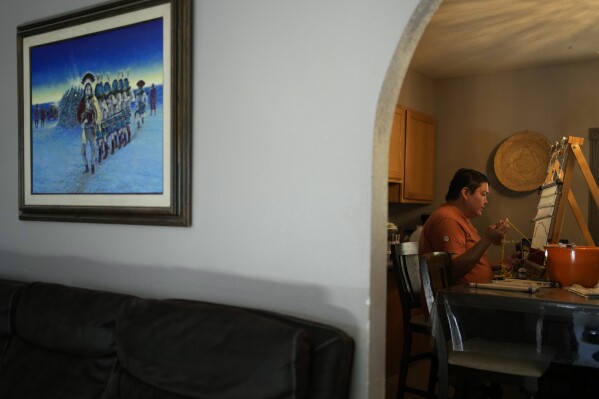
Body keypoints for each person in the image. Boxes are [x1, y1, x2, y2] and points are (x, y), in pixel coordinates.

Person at [419, 168, 520, 284]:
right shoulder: (447, 219)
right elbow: (453, 270)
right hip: (458, 299)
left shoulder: (461, 218)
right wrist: (487, 239)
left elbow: (470, 264)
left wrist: (500, 264)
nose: (486, 201)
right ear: (465, 193)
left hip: (474, 295)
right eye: (483, 194)